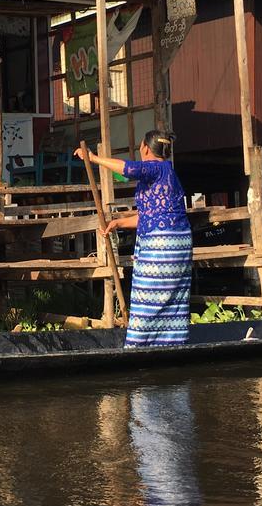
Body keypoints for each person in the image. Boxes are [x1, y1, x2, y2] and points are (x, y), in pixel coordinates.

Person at [75, 129, 192, 347]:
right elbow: (150, 215)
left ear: (145, 148)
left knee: (150, 296)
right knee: (165, 298)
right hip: (174, 240)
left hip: (162, 243)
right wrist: (118, 223)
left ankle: (141, 344)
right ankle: (169, 342)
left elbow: (128, 169)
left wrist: (94, 158)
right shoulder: (166, 173)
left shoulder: (156, 168)